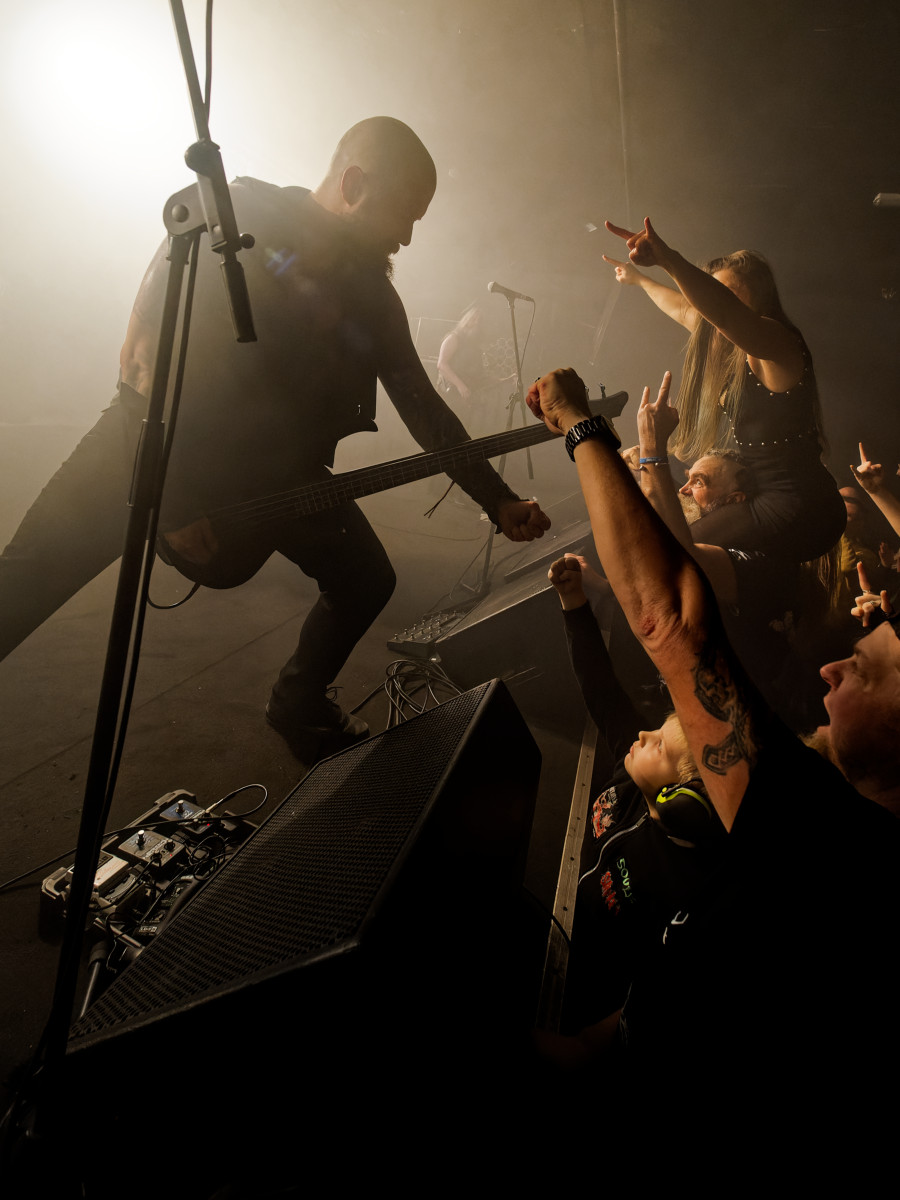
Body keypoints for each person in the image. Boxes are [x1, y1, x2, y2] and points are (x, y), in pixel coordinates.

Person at [0, 117, 550, 762]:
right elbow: (143, 360)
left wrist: (497, 499)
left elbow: (425, 407)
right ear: (353, 184)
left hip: (272, 472)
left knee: (366, 576)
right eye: (404, 213)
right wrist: (174, 499)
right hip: (148, 443)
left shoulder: (371, 296)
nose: (406, 236)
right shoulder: (236, 214)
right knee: (25, 583)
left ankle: (297, 702)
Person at [526, 365, 900, 1146]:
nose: (832, 669)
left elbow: (669, 619)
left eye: (864, 671)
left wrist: (580, 427)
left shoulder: (833, 847)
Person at [547, 552, 722, 1035]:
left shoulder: (686, 884)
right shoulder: (632, 778)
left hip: (584, 992)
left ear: (685, 797)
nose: (643, 736)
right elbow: (601, 689)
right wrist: (573, 603)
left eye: (659, 745)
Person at [603, 219, 845, 562]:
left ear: (758, 299)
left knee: (672, 554)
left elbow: (724, 313)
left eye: (726, 293)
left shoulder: (779, 344)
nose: (708, 305)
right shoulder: (728, 342)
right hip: (768, 497)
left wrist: (668, 258)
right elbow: (685, 307)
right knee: (668, 544)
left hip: (802, 506)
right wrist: (639, 279)